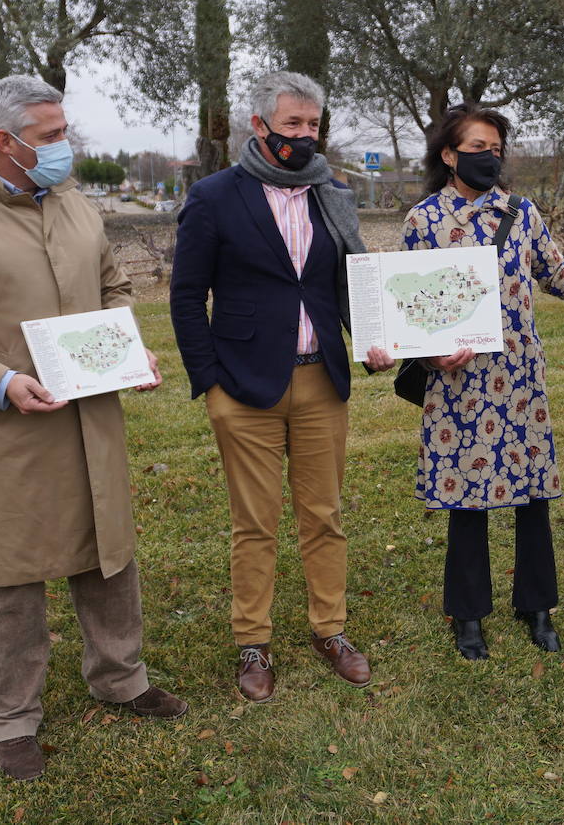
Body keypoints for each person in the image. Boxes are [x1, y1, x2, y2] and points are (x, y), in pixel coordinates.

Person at [0, 75, 186, 782]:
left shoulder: (76, 206)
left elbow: (111, 288)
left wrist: (127, 346)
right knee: (5, 573)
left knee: (106, 552)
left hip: (90, 415)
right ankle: (12, 717)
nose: (65, 147)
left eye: (63, 131)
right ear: (5, 143)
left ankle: (121, 677)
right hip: (3, 431)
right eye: (51, 137)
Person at [170, 71, 394, 703]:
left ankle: (331, 630)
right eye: (291, 124)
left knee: (324, 515)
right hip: (244, 388)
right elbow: (188, 297)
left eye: (312, 125)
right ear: (259, 125)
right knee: (255, 522)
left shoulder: (334, 193)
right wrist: (209, 381)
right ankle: (253, 642)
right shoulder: (215, 196)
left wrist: (377, 340)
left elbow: (349, 282)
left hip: (320, 378)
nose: (303, 136)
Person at [404, 103, 564, 660]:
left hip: (520, 379)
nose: (489, 157)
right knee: (466, 501)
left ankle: (537, 605)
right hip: (457, 384)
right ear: (449, 155)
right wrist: (430, 357)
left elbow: (556, 272)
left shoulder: (522, 213)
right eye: (477, 148)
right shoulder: (423, 220)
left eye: (496, 149)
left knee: (532, 496)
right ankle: (469, 614)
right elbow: (408, 306)